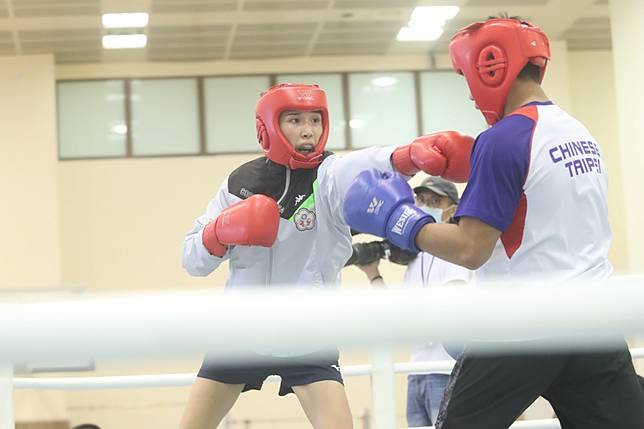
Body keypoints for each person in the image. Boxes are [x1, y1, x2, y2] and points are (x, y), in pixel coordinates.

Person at [343, 16, 644, 429]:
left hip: (521, 325)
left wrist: (399, 220)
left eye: (467, 75)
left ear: (491, 66)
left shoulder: (504, 139)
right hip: (592, 321)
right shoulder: (578, 133)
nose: (469, 92)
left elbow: (471, 248)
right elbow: (539, 200)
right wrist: (477, 168)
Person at [180, 83, 473, 429]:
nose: (308, 130)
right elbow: (192, 260)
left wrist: (407, 156)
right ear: (268, 127)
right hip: (239, 332)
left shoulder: (329, 176)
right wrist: (217, 233)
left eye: (315, 120)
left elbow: (361, 165)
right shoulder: (240, 183)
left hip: (308, 334)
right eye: (295, 120)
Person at [355, 176, 471, 427]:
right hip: (416, 372)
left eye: (435, 201)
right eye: (421, 200)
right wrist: (373, 275)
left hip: (445, 370)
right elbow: (396, 315)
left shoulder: (454, 254)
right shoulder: (416, 258)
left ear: (452, 209)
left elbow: (453, 304)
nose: (425, 206)